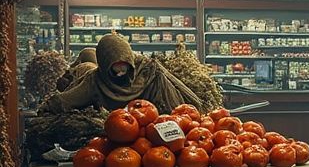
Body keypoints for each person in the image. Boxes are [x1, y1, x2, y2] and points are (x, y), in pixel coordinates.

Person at [41, 33, 202, 113]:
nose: (120, 74)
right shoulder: (95, 80)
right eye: (114, 70)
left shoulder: (148, 71)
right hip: (116, 132)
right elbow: (68, 99)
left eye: (124, 68)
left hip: (151, 131)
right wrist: (47, 108)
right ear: (104, 66)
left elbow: (177, 104)